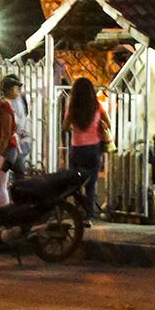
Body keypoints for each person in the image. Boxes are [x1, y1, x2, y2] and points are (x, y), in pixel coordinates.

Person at [63, 76, 109, 224]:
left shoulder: (72, 109)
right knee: (91, 184)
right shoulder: (97, 107)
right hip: (94, 149)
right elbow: (107, 123)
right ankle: (88, 217)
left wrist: (73, 127)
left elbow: (64, 127)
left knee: (75, 184)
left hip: (77, 149)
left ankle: (77, 213)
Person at [1, 74, 30, 174]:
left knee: (17, 168)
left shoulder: (20, 99)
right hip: (13, 140)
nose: (18, 90)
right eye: (16, 87)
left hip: (20, 139)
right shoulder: (5, 103)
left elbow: (23, 117)